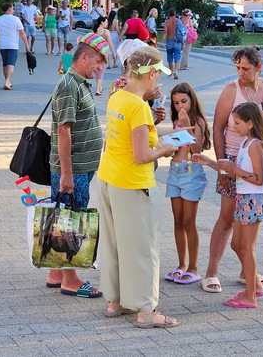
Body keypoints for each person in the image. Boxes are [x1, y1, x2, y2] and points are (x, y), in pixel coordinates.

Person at [97, 45, 181, 328]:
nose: (159, 80)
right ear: (152, 73)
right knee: (143, 248)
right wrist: (165, 151)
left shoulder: (118, 97)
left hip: (109, 178)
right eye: (158, 75)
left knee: (114, 243)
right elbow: (142, 155)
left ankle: (115, 301)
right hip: (134, 185)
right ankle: (146, 311)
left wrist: (164, 137)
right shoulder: (138, 107)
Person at [201, 46, 263, 294]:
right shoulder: (231, 90)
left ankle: (246, 270)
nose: (240, 73)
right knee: (227, 218)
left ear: (259, 67)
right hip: (233, 162)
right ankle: (211, 272)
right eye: (237, 68)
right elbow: (217, 128)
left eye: (245, 68)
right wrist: (220, 166)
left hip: (260, 164)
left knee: (252, 219)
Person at [193, 101, 263, 308]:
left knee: (246, 248)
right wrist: (209, 162)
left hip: (253, 200)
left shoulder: (255, 145)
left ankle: (251, 295)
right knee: (237, 245)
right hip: (244, 198)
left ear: (249, 123)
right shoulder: (245, 143)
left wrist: (234, 170)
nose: (234, 127)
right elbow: (233, 171)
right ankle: (254, 286)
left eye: (237, 123)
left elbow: (259, 178)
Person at [46, 32, 109, 298]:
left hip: (81, 167)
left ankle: (56, 272)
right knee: (73, 219)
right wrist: (68, 176)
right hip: (73, 170)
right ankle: (71, 280)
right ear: (84, 56)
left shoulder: (79, 82)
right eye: (98, 61)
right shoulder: (69, 85)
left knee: (65, 217)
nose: (100, 67)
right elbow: (64, 132)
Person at [163, 83, 211, 285]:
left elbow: (197, 147)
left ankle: (193, 267)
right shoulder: (176, 121)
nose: (180, 106)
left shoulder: (197, 121)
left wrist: (186, 125)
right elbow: (176, 147)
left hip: (191, 173)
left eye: (183, 101)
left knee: (189, 222)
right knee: (178, 220)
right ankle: (181, 264)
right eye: (175, 103)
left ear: (192, 99)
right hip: (175, 172)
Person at [0, 2, 29, 90]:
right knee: (11, 64)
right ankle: (7, 80)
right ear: (9, 9)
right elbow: (22, 33)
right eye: (12, 8)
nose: (13, 10)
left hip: (3, 45)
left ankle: (7, 81)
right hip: (13, 45)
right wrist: (26, 44)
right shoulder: (16, 20)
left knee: (5, 64)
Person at [92, 16, 116, 95]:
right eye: (106, 22)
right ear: (101, 22)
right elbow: (110, 44)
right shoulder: (106, 32)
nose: (107, 23)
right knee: (101, 72)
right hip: (103, 54)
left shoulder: (94, 31)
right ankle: (98, 90)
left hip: (95, 54)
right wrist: (113, 53)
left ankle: (100, 87)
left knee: (97, 71)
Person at [160, 8, 181, 80]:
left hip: (169, 41)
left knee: (169, 57)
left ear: (169, 14)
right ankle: (176, 70)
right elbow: (181, 30)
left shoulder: (167, 22)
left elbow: (165, 32)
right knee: (177, 56)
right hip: (177, 41)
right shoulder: (178, 21)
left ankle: (171, 72)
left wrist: (162, 42)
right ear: (175, 14)